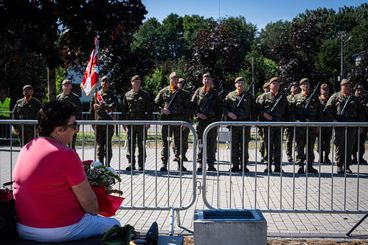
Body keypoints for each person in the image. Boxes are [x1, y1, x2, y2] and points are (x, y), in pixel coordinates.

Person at [12, 100, 120, 242]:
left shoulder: (27, 147)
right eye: (73, 125)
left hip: (23, 227)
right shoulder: (66, 154)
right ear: (59, 130)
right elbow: (91, 207)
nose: (76, 130)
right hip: (58, 229)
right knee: (115, 225)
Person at [325, 79, 363, 174]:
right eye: (345, 86)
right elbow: (328, 109)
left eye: (349, 86)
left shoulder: (354, 98)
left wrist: (360, 125)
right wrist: (333, 120)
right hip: (339, 125)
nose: (347, 87)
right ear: (341, 86)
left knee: (349, 146)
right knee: (339, 146)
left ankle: (347, 166)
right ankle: (339, 165)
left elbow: (360, 112)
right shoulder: (335, 96)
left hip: (351, 125)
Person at [155, 72, 190, 172]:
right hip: (167, 123)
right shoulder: (164, 91)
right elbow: (155, 104)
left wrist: (185, 122)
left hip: (179, 123)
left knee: (179, 144)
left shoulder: (184, 94)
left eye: (177, 79)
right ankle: (164, 164)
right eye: (173, 79)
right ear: (169, 80)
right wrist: (162, 110)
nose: (175, 81)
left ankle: (180, 165)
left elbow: (188, 109)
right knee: (165, 144)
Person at [224, 77, 256, 172]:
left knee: (244, 146)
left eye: (242, 83)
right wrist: (229, 114)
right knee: (234, 146)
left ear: (244, 84)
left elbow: (254, 110)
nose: (240, 84)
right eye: (238, 83)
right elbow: (223, 108)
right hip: (233, 125)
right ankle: (235, 165)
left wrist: (252, 122)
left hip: (245, 125)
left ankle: (244, 165)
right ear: (235, 85)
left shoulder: (249, 96)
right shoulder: (230, 95)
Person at [256, 77, 289, 173]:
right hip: (268, 126)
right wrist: (264, 114)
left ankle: (278, 166)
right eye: (273, 83)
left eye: (277, 83)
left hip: (279, 125)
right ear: (270, 85)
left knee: (278, 147)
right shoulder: (264, 96)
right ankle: (268, 166)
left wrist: (286, 123)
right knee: (268, 146)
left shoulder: (282, 97)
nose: (275, 85)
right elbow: (257, 109)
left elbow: (287, 111)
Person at [191, 73, 222, 172]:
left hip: (212, 121)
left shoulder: (215, 93)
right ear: (202, 80)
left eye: (208, 79)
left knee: (212, 144)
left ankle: (211, 164)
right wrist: (197, 114)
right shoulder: (198, 91)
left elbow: (219, 109)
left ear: (211, 81)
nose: (206, 81)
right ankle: (200, 163)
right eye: (205, 79)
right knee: (200, 143)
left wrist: (217, 122)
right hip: (201, 122)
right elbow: (192, 105)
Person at [290, 78, 321, 174]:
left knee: (310, 147)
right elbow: (292, 112)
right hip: (300, 127)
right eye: (303, 84)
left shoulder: (315, 98)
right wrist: (296, 121)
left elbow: (319, 112)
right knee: (299, 147)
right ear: (300, 86)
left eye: (307, 84)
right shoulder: (296, 97)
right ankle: (300, 166)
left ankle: (310, 166)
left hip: (311, 126)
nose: (306, 86)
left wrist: (318, 125)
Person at [122, 75, 153, 171]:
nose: (137, 84)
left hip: (142, 123)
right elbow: (124, 110)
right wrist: (123, 122)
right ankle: (131, 163)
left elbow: (149, 109)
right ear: (131, 83)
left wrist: (148, 121)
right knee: (130, 144)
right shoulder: (127, 95)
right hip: (131, 124)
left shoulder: (145, 95)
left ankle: (141, 164)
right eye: (135, 82)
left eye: (138, 82)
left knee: (141, 144)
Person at [90, 76, 118, 167]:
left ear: (109, 84)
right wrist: (92, 123)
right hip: (98, 122)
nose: (105, 83)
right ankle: (101, 164)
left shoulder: (112, 95)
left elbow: (113, 106)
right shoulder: (96, 95)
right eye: (103, 81)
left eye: (107, 81)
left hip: (108, 123)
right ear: (101, 83)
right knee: (100, 145)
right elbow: (91, 111)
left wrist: (100, 106)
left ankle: (108, 164)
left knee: (108, 144)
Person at [56, 79, 82, 149]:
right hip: (61, 125)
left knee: (71, 145)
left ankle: (72, 160)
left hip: (71, 125)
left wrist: (78, 125)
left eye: (68, 84)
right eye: (65, 84)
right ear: (62, 86)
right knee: (60, 144)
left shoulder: (75, 98)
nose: (67, 85)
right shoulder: (58, 98)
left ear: (71, 86)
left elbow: (79, 112)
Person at [172, 78, 191, 163]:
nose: (180, 84)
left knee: (184, 139)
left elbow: (188, 109)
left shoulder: (186, 94)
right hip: (174, 120)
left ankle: (183, 155)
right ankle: (176, 155)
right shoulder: (172, 93)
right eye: (179, 82)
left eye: (182, 83)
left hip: (185, 120)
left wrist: (186, 121)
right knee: (175, 140)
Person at [351, 83, 368, 164]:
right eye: (357, 89)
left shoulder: (365, 100)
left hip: (363, 125)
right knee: (353, 142)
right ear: (354, 91)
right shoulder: (351, 99)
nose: (359, 91)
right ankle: (354, 157)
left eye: (360, 90)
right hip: (354, 124)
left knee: (361, 142)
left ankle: (360, 158)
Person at [317, 83, 332, 164]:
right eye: (323, 89)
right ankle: (320, 157)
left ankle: (326, 157)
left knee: (327, 141)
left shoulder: (331, 99)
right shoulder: (317, 99)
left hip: (328, 123)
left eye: (326, 89)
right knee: (319, 141)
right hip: (320, 124)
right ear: (320, 90)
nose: (325, 91)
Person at [285, 81, 299, 163]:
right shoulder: (287, 98)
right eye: (293, 86)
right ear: (290, 89)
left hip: (298, 122)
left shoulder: (300, 97)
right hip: (289, 122)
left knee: (298, 141)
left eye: (296, 86)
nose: (294, 87)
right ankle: (289, 155)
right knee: (288, 140)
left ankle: (298, 156)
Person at [257, 80, 270, 163]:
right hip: (262, 122)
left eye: (268, 88)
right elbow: (257, 109)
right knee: (263, 140)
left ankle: (268, 156)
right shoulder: (260, 97)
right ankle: (262, 155)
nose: (267, 90)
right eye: (266, 88)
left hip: (271, 122)